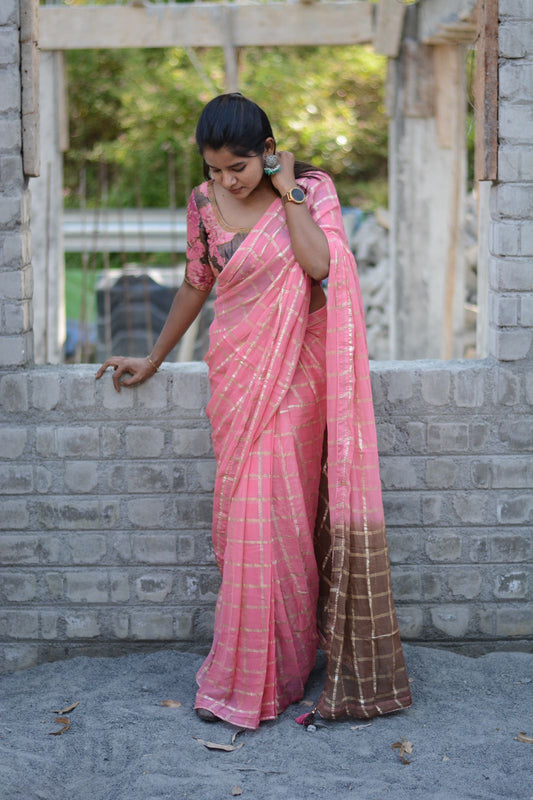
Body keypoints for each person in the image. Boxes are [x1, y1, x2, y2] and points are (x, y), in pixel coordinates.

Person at [96, 92, 412, 730]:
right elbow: (196, 282)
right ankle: (250, 671)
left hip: (296, 376)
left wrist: (288, 189)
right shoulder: (202, 205)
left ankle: (280, 672)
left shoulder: (311, 192)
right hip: (237, 372)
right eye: (213, 169)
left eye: (236, 168)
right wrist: (155, 358)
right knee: (250, 525)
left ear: (267, 152)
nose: (223, 181)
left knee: (277, 521)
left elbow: (321, 265)